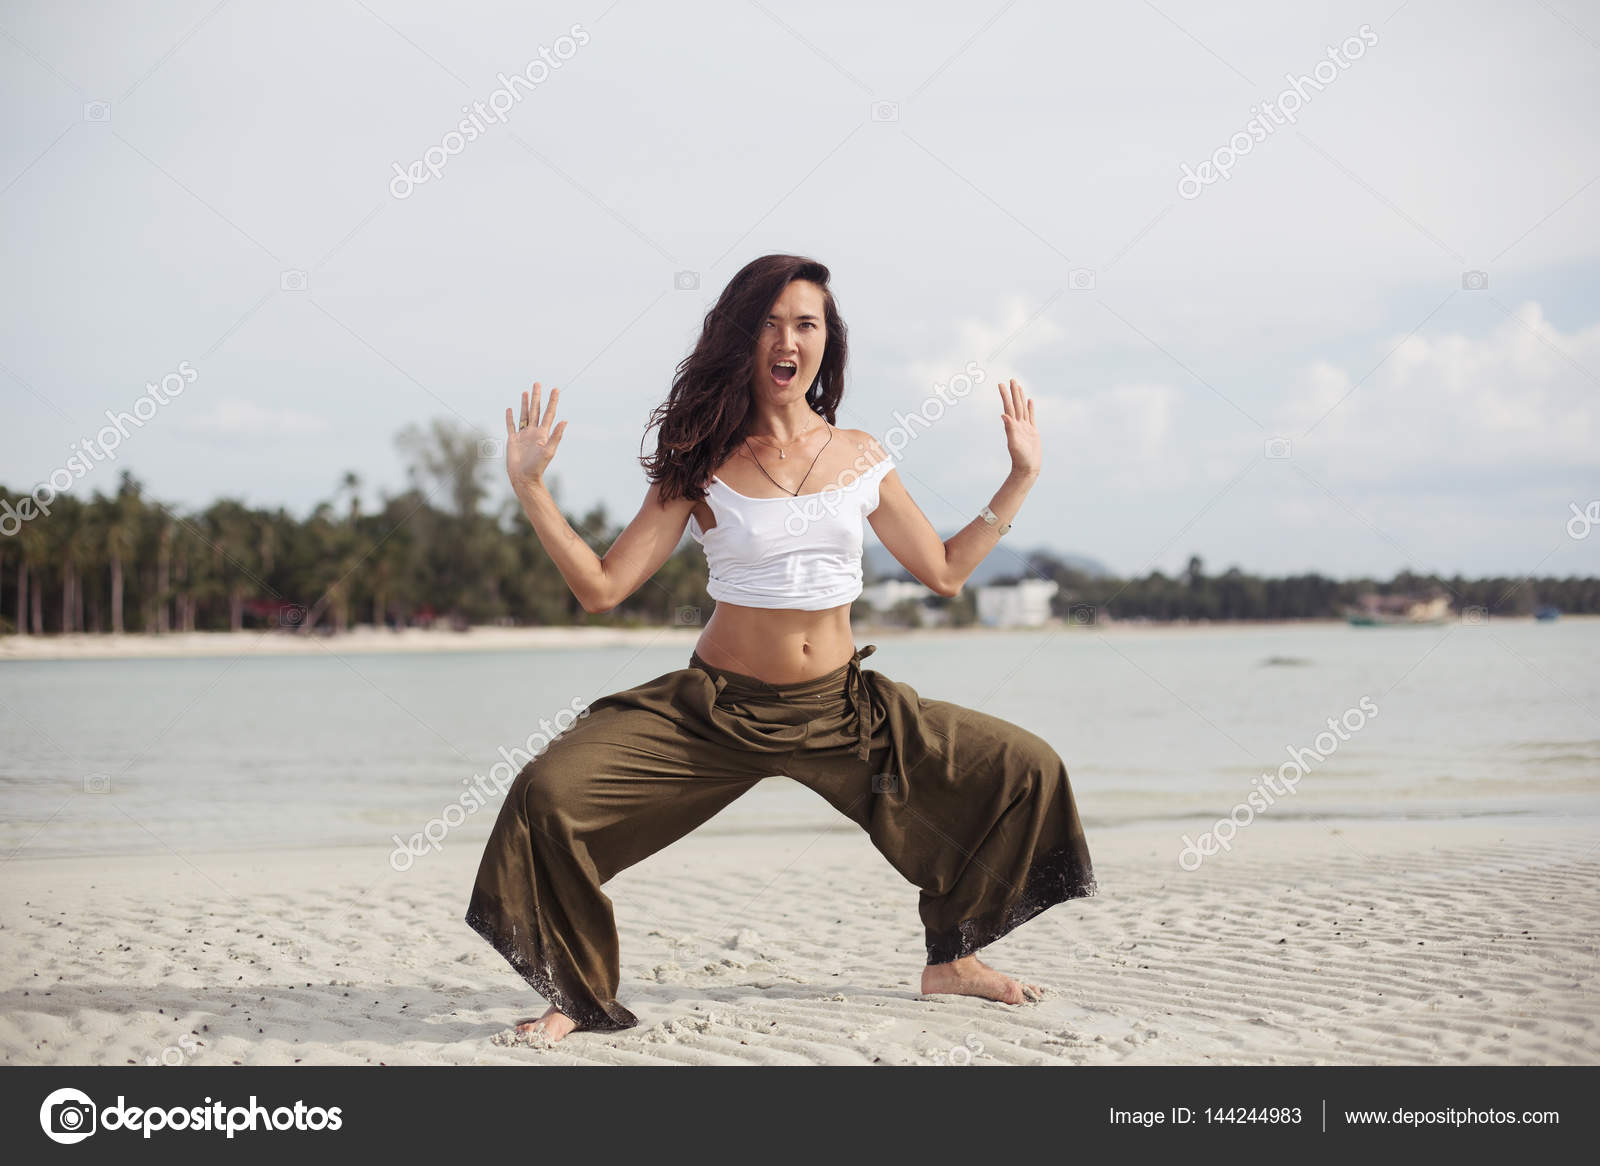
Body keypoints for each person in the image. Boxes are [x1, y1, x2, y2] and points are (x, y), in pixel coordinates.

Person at [465, 254, 1096, 1044]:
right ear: (741, 338)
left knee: (1023, 767)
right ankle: (576, 994)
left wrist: (1020, 477)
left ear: (827, 342)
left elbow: (943, 571)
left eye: (805, 323)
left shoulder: (862, 453)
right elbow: (602, 587)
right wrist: (531, 490)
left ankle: (954, 958)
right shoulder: (700, 461)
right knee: (547, 795)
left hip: (842, 712)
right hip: (716, 712)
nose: (786, 339)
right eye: (768, 323)